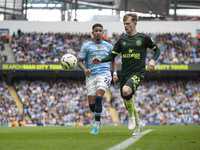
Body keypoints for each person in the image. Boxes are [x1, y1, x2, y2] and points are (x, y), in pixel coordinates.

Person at [92, 13, 161, 135]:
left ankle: (131, 118)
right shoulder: (122, 40)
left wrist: (152, 60)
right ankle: (138, 124)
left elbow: (157, 50)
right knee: (126, 100)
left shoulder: (143, 38)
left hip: (138, 72)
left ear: (135, 23)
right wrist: (101, 60)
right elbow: (112, 55)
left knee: (126, 90)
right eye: (124, 24)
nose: (125, 26)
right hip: (124, 74)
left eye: (128, 23)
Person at [78, 23, 118, 134]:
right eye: (96, 31)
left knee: (99, 97)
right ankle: (98, 117)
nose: (98, 32)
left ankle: (95, 126)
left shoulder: (109, 46)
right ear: (92, 33)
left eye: (100, 30)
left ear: (103, 33)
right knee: (92, 106)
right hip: (91, 76)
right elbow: (80, 61)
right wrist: (85, 69)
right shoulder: (86, 46)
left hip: (104, 74)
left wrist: (114, 73)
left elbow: (114, 60)